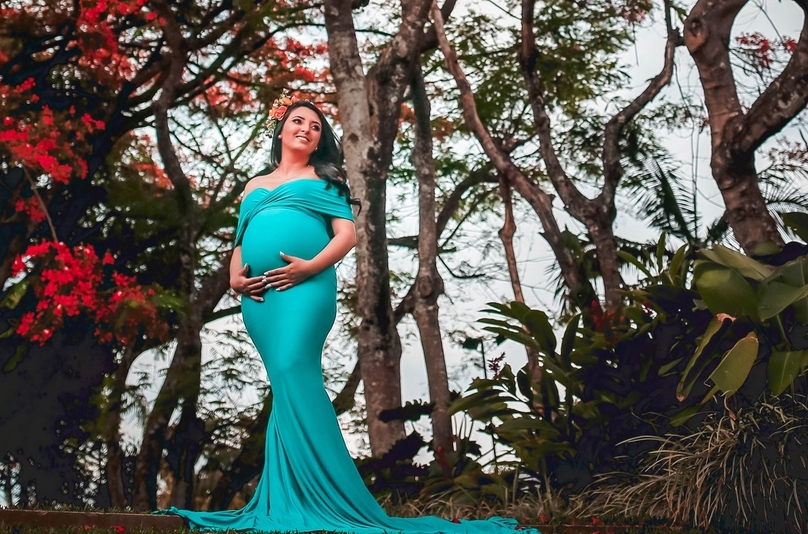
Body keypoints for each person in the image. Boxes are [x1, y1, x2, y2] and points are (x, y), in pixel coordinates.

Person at [161, 97, 536, 534]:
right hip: (260, 299)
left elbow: (347, 235)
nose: (306, 129)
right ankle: (293, 497)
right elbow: (240, 243)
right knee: (285, 386)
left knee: (292, 368)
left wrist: (309, 266)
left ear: (320, 140)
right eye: (298, 121)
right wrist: (234, 280)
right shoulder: (252, 185)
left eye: (315, 127)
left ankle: (333, 497)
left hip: (305, 288)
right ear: (280, 129)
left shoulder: (325, 181)